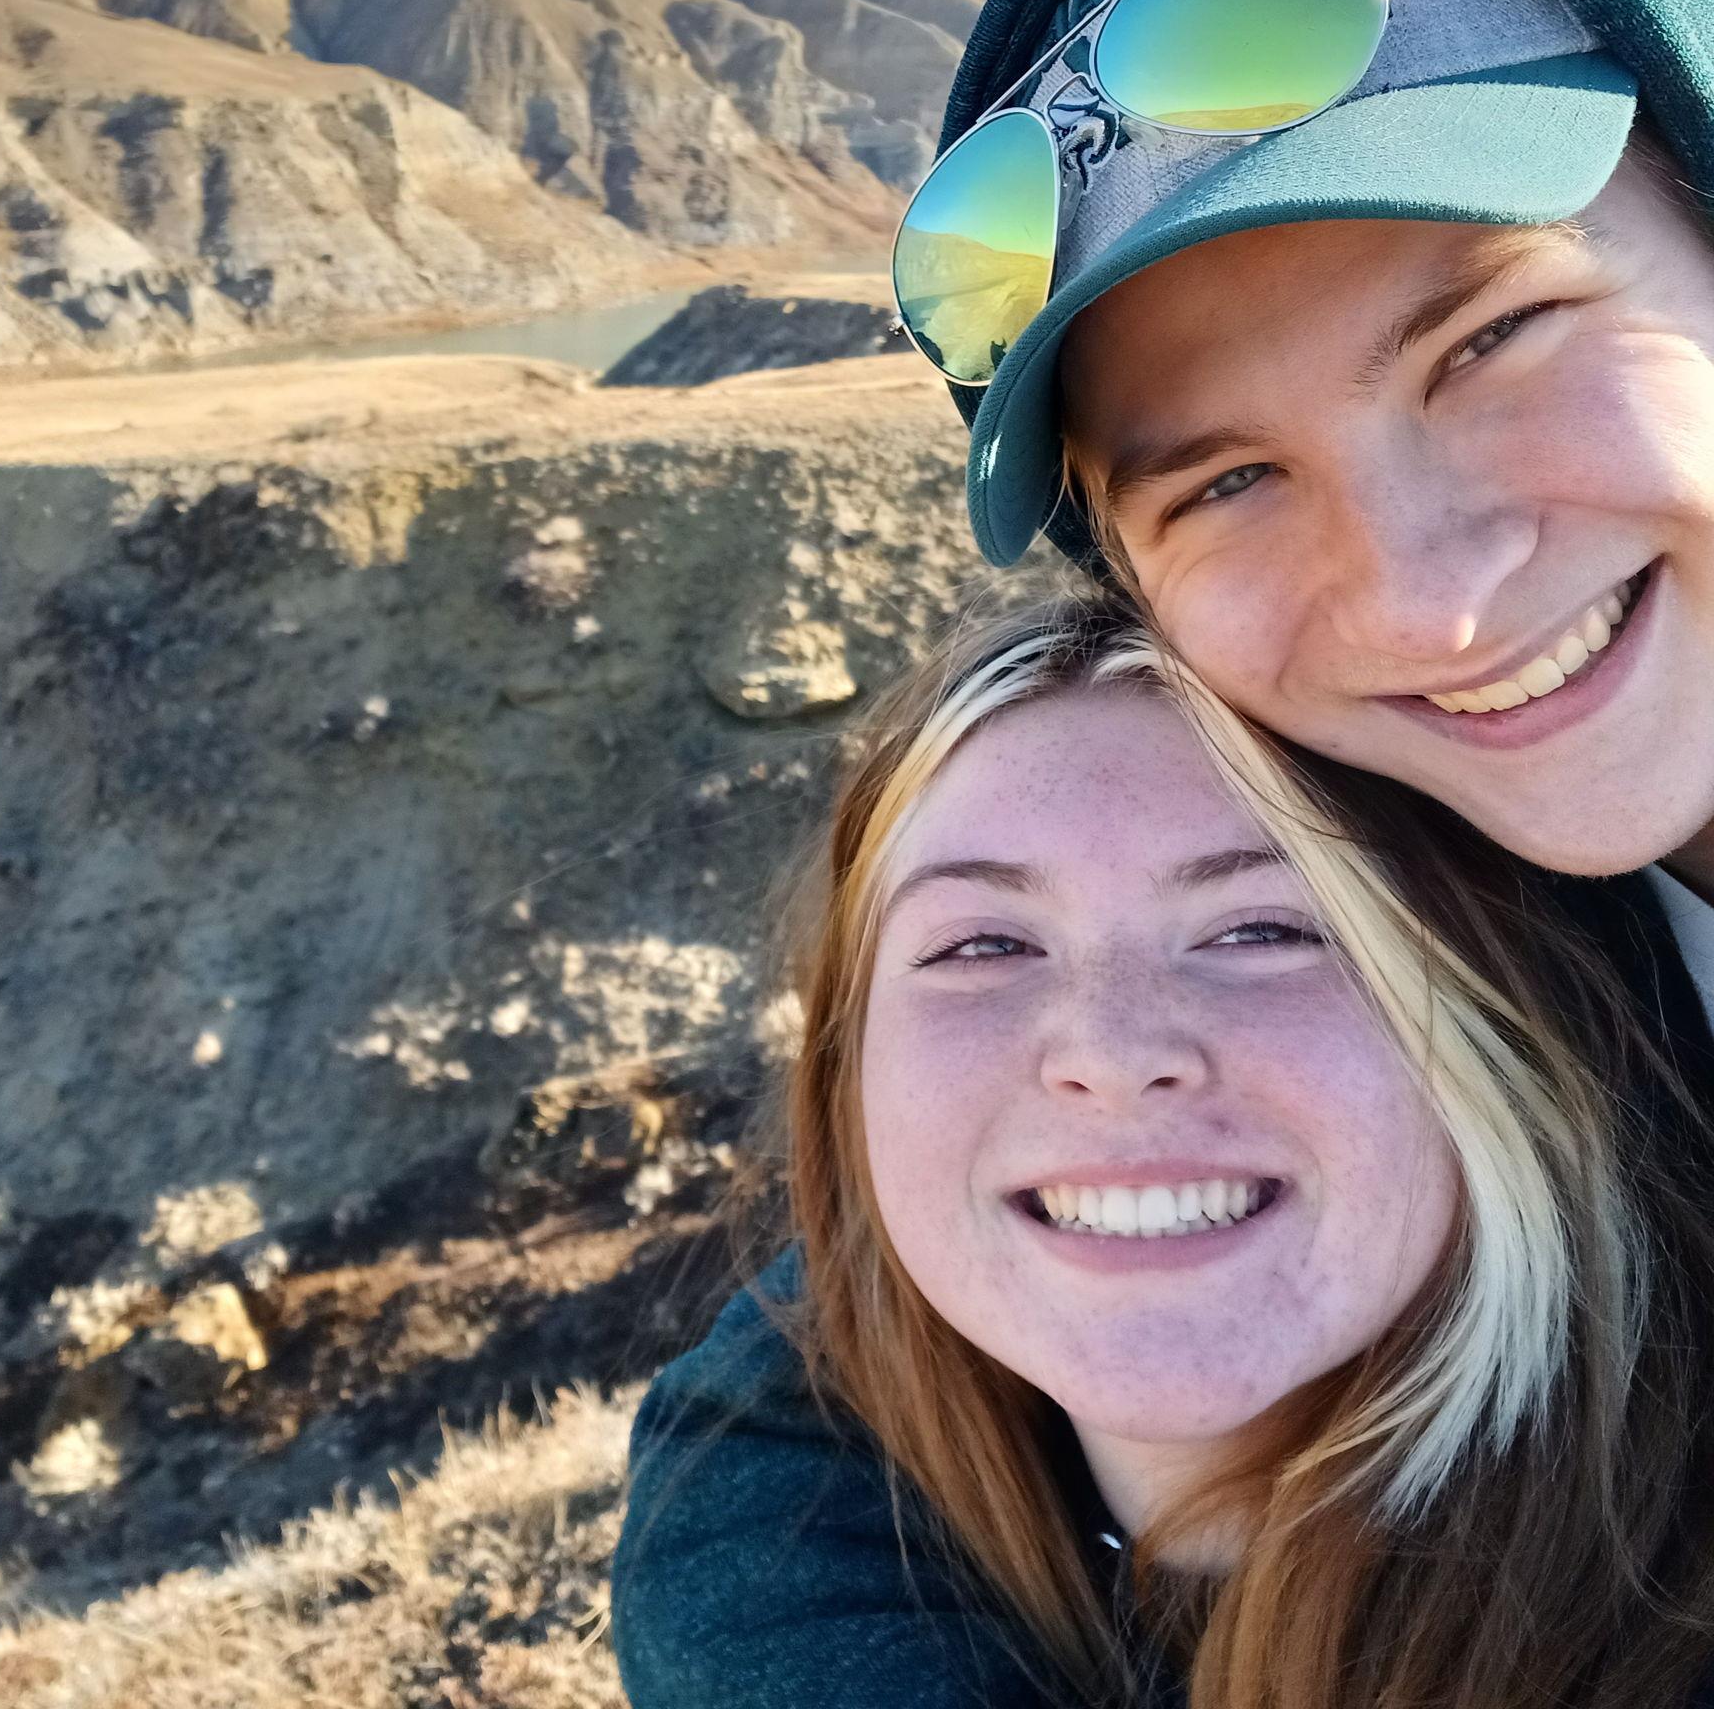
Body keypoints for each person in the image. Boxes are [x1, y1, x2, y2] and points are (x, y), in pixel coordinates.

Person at [613, 0, 1714, 1703]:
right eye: (1220, 481)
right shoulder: (1461, 860)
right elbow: (804, 1399)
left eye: (1490, 339)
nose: (1426, 603)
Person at [615, 596, 1714, 1708]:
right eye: (983, 943)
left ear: (1511, 1039)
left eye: (1263, 929)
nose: (1110, 1053)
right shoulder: (765, 1501)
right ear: (846, 1074)